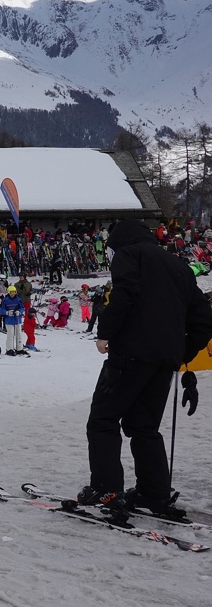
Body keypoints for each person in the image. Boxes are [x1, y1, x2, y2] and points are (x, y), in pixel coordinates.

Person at [78, 220, 212, 516]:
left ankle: (106, 489)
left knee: (103, 419)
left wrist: (105, 333)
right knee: (144, 426)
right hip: (164, 360)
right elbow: (204, 319)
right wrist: (180, 352)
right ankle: (154, 493)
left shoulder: (129, 255)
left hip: (130, 354)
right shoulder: (178, 265)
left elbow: (125, 293)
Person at [0, 285, 25, 355]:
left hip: (17, 319)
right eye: (11, 292)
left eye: (14, 292)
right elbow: (1, 310)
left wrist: (19, 312)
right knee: (10, 335)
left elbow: (22, 308)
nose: (13, 294)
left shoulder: (18, 299)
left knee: (19, 334)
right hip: (9, 320)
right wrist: (7, 312)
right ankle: (9, 349)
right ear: (9, 292)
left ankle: (19, 348)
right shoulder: (5, 300)